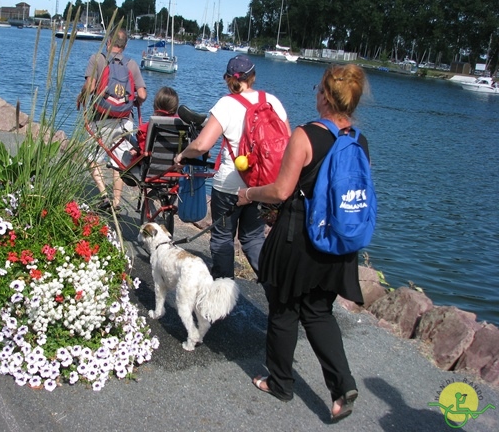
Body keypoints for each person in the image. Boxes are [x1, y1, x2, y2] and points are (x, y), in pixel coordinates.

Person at [235, 64, 370, 422]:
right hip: (337, 242)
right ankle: (342, 387)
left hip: (299, 238)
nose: (315, 94)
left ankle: (280, 382)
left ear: (326, 96)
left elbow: (281, 191)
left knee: (283, 309)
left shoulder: (306, 135)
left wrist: (248, 193)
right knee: (318, 311)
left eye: (318, 89)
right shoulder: (357, 139)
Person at [172, 55, 291, 279]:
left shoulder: (226, 104)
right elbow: (287, 143)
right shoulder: (272, 101)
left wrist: (181, 156)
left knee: (223, 238)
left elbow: (202, 145)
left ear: (228, 79)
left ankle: (223, 295)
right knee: (253, 239)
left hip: (230, 189)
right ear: (253, 77)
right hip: (264, 186)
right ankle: (273, 287)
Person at [77, 28, 147, 211]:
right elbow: (142, 95)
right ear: (125, 46)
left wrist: (81, 95)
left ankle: (104, 195)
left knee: (92, 158)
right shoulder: (131, 64)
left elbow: (90, 87)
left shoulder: (97, 59)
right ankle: (116, 201)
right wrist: (130, 99)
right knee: (119, 160)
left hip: (100, 117)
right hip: (125, 120)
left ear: (109, 42)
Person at [132, 86, 179, 155]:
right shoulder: (181, 125)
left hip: (150, 164)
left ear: (155, 105)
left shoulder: (147, 127)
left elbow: (143, 148)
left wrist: (137, 151)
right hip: (173, 163)